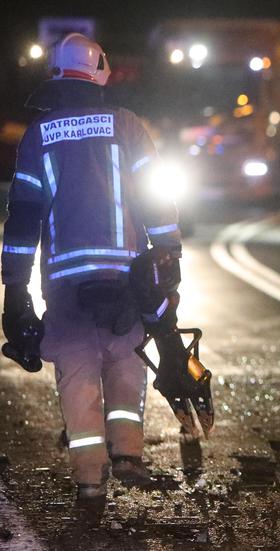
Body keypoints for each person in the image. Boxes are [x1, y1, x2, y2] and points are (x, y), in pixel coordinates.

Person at [0, 33, 183, 506]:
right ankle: (127, 455)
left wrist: (14, 288)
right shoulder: (127, 125)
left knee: (77, 370)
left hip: (65, 281)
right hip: (125, 275)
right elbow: (156, 197)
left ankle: (88, 479)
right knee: (126, 357)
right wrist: (167, 252)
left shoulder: (38, 137)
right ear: (100, 70)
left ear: (56, 76)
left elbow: (22, 219)